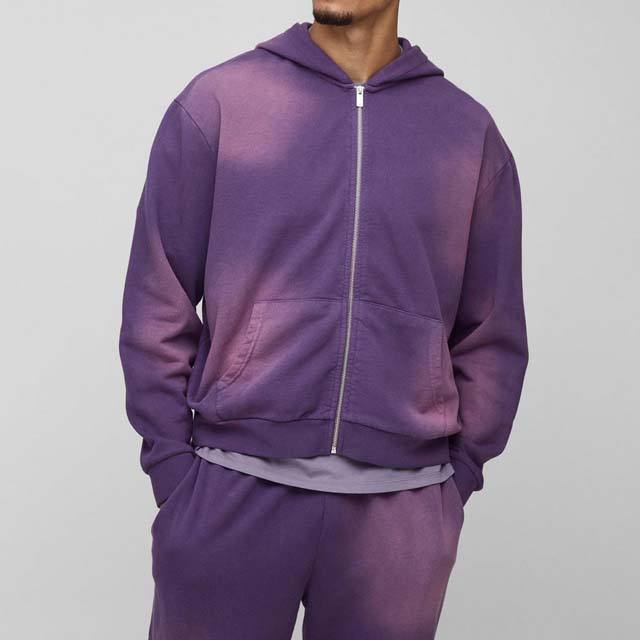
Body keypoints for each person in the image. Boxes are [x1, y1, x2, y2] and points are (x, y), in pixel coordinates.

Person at [119, 1, 528, 638]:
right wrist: (174, 471)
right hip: (231, 488)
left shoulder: (465, 133)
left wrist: (454, 485)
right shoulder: (221, 102)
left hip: (401, 512)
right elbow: (157, 298)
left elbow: (492, 330)